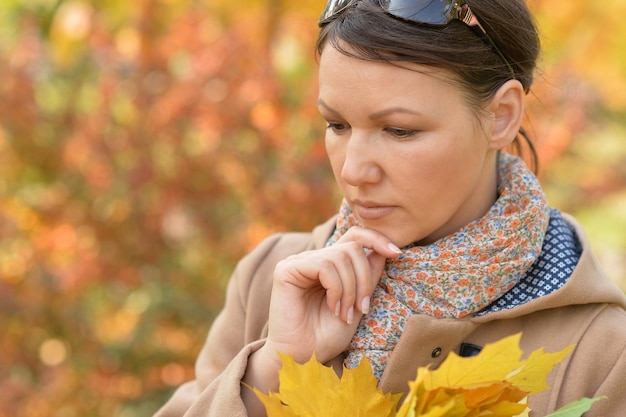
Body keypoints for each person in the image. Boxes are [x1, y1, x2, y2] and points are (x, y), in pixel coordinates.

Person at [154, 0, 626, 416]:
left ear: (500, 116)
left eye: (400, 131)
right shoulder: (270, 280)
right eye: (337, 125)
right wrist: (274, 365)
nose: (355, 170)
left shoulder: (603, 354)